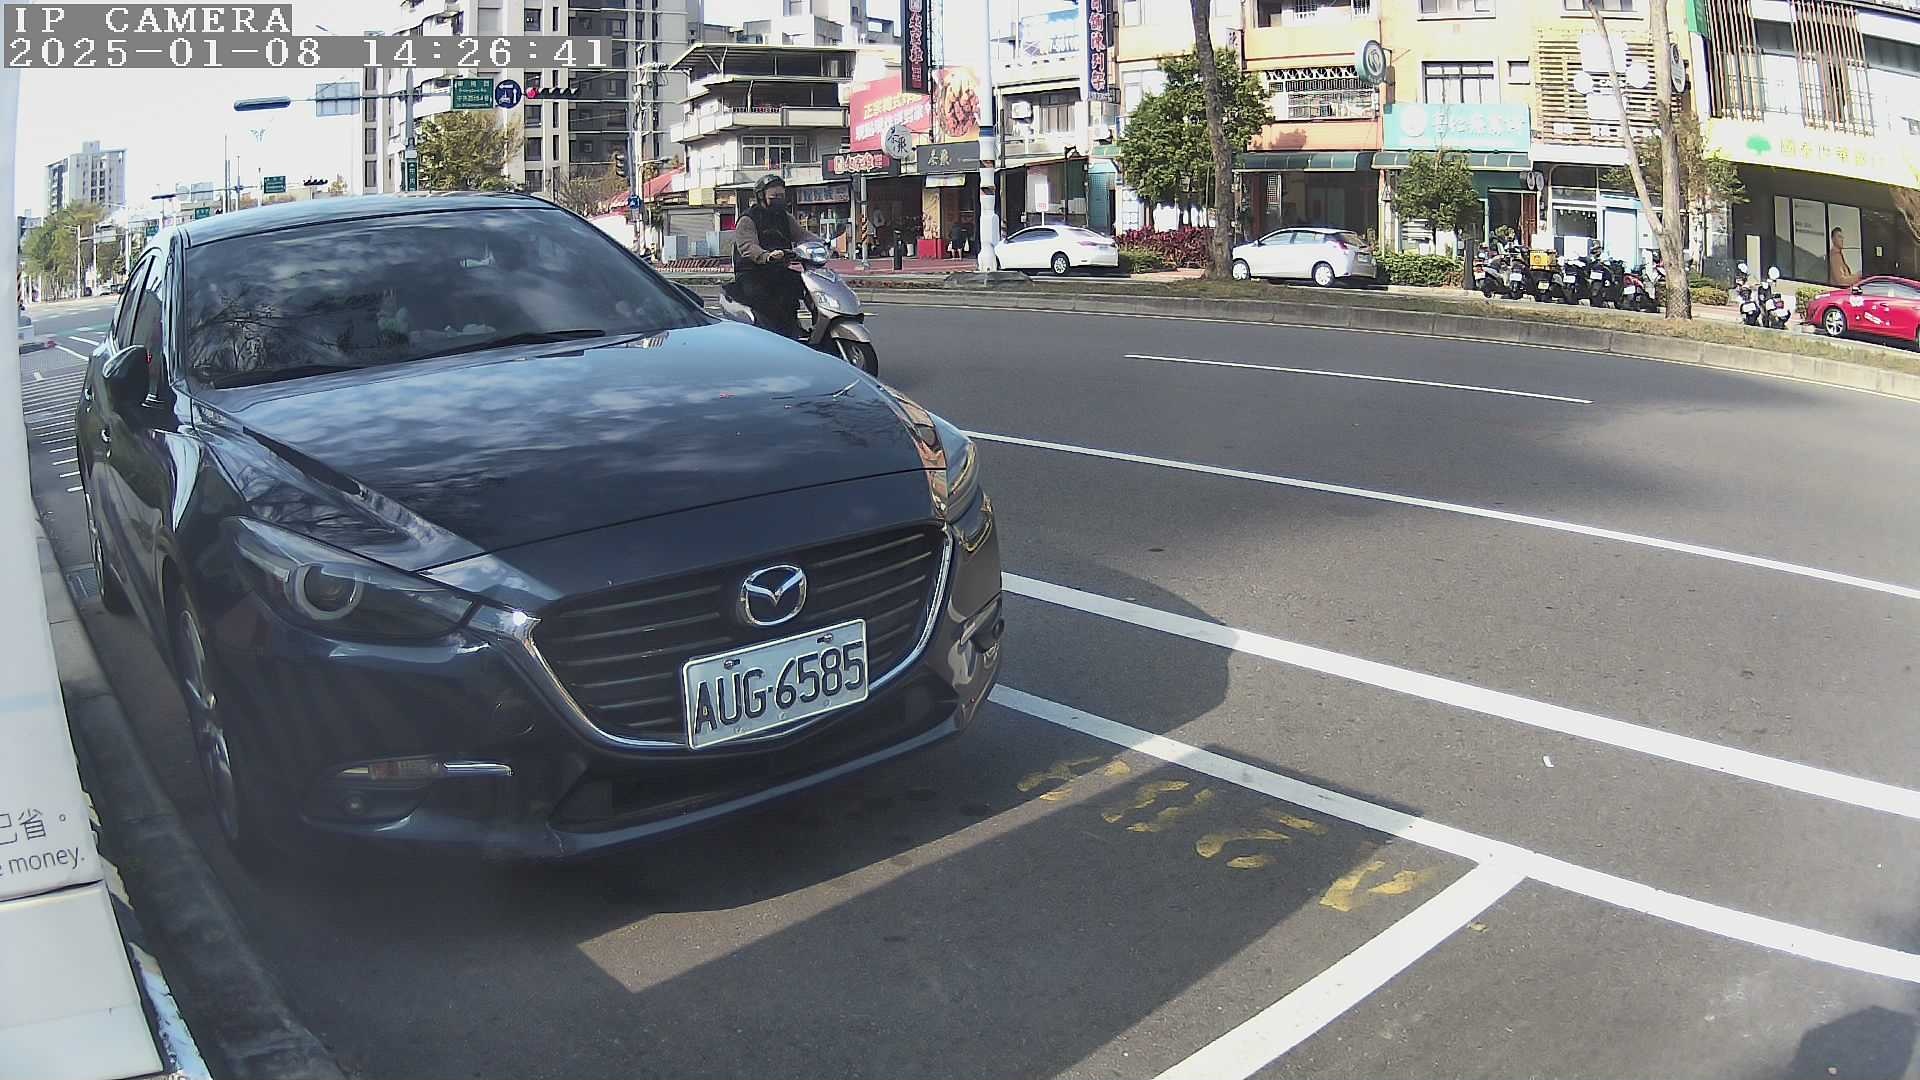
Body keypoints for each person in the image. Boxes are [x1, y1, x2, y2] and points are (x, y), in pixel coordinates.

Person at [732, 174, 821, 339]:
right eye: (774, 196)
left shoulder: (785, 217)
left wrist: (822, 243)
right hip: (752, 273)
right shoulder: (748, 219)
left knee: (810, 286)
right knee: (766, 300)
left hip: (778, 271)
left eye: (781, 195)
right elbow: (747, 246)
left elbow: (802, 235)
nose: (779, 199)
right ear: (761, 196)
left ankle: (815, 328)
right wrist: (766, 256)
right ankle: (772, 335)